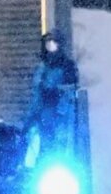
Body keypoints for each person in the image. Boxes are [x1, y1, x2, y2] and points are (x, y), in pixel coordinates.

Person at [22, 30, 80, 161]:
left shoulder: (67, 67)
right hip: (43, 118)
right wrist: (29, 122)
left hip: (61, 119)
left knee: (60, 150)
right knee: (39, 152)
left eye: (54, 42)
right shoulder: (41, 68)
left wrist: (58, 99)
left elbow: (71, 93)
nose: (51, 46)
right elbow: (36, 96)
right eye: (48, 43)